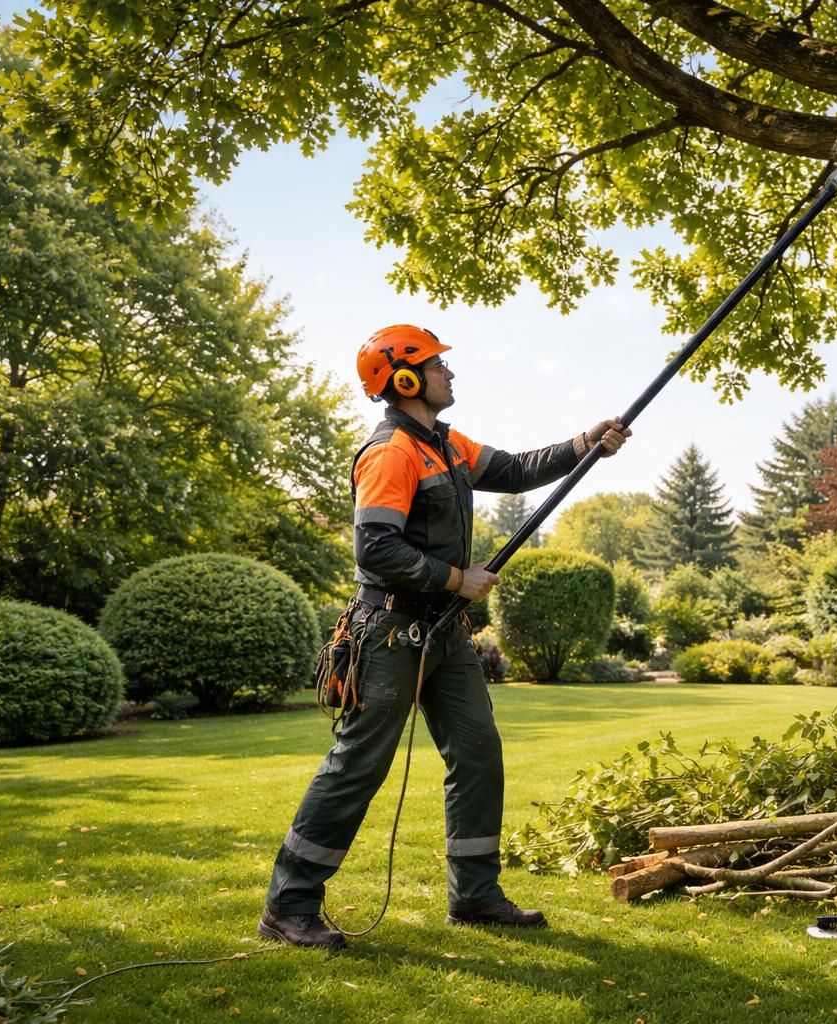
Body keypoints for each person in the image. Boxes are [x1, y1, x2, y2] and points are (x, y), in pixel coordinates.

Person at [259, 324, 629, 948]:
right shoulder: (390, 453)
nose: (449, 374)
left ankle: (476, 895)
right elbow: (375, 548)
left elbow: (513, 470)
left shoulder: (445, 443)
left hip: (444, 633)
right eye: (437, 366)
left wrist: (584, 443)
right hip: (390, 632)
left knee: (478, 750)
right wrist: (457, 577)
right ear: (405, 379)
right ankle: (289, 906)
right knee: (358, 765)